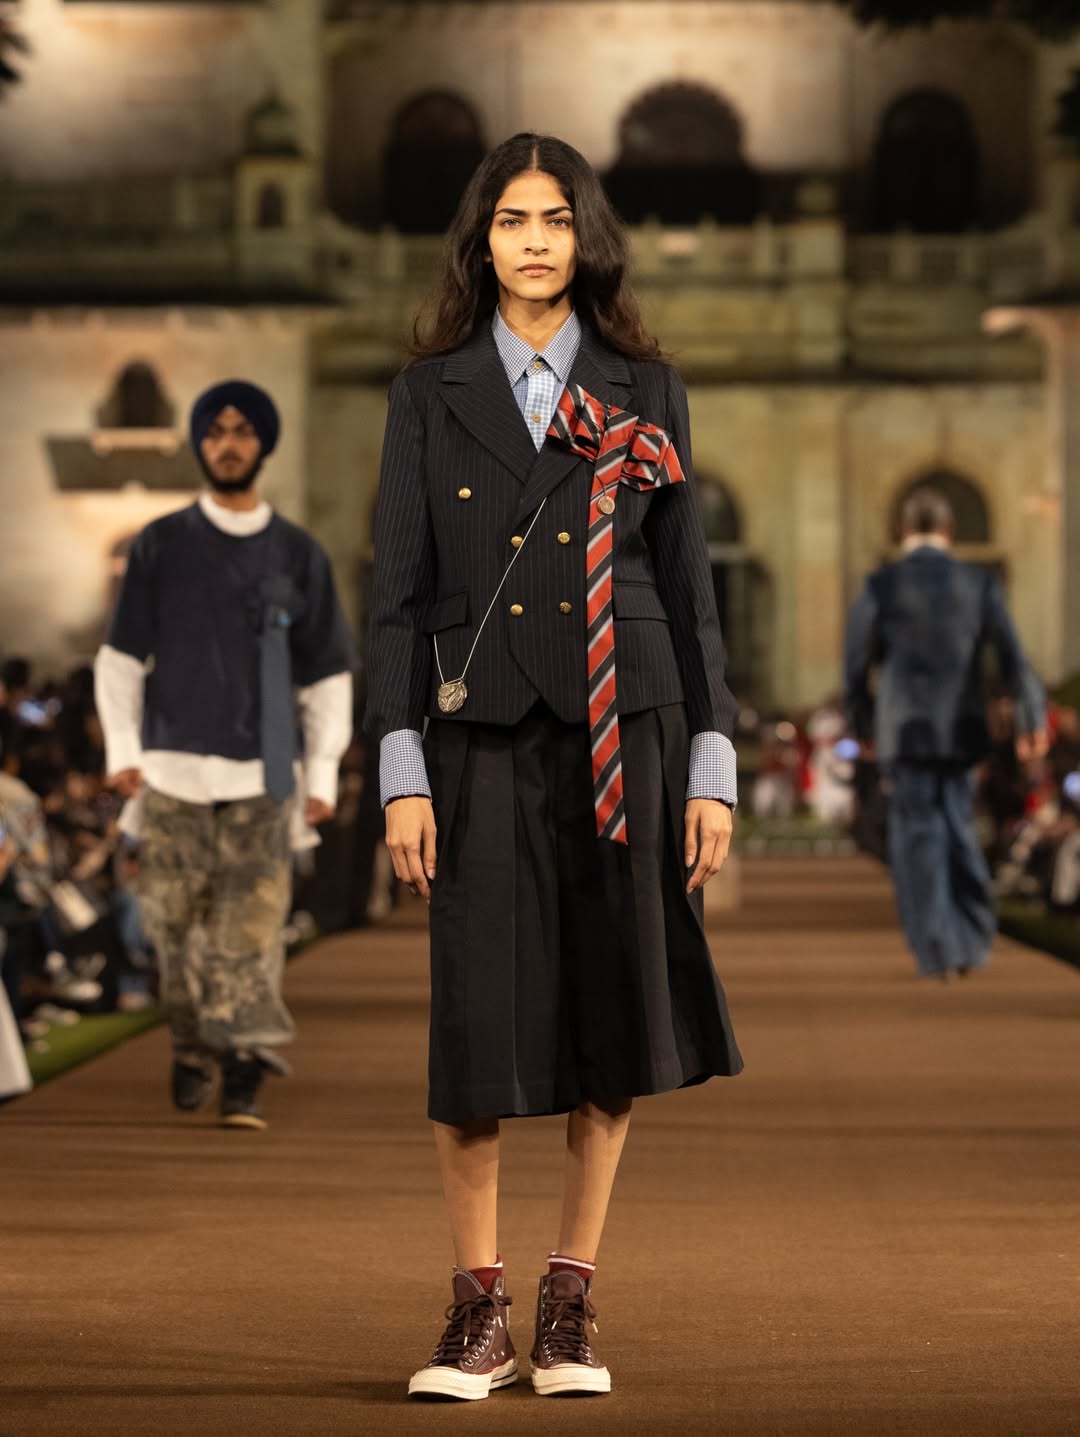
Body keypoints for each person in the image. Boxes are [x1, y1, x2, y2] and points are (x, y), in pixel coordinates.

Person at [365, 132, 743, 1402]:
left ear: (589, 238)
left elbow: (690, 590)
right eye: (513, 220)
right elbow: (395, 596)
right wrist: (399, 768)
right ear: (480, 241)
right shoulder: (429, 393)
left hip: (626, 723)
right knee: (474, 1017)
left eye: (558, 219)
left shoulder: (647, 387)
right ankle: (477, 1310)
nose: (535, 242)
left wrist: (712, 761)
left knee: (610, 1012)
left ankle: (569, 1302)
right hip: (475, 731)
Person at [95, 380, 354, 1128]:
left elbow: (328, 672)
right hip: (170, 773)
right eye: (216, 431)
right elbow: (120, 656)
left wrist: (322, 771)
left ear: (263, 443)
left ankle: (245, 1063)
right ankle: (191, 1044)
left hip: (265, 775)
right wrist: (122, 748)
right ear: (200, 443)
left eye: (242, 431)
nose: (229, 443)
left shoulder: (298, 553)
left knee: (252, 933)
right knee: (173, 934)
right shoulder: (160, 544)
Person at [844, 485, 1046, 981]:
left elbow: (856, 666)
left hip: (904, 731)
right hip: (962, 727)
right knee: (959, 826)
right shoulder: (978, 584)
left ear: (902, 529)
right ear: (950, 530)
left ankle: (938, 947)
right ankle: (973, 937)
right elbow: (1015, 660)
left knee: (918, 837)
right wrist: (1031, 718)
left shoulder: (882, 585)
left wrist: (864, 723)